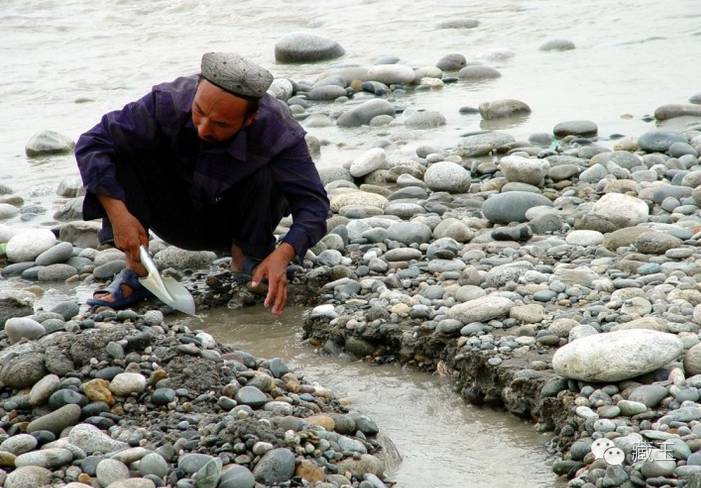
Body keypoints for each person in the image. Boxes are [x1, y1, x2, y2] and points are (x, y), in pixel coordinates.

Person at [75, 52, 329, 315]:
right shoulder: (166, 102)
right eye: (199, 112)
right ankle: (139, 270)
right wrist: (119, 215)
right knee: (121, 150)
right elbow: (92, 143)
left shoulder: (278, 130)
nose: (204, 128)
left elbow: (314, 205)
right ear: (196, 90)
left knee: (270, 171)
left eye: (220, 124)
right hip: (171, 215)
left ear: (249, 119)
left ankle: (248, 259)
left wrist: (284, 254)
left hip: (233, 225)